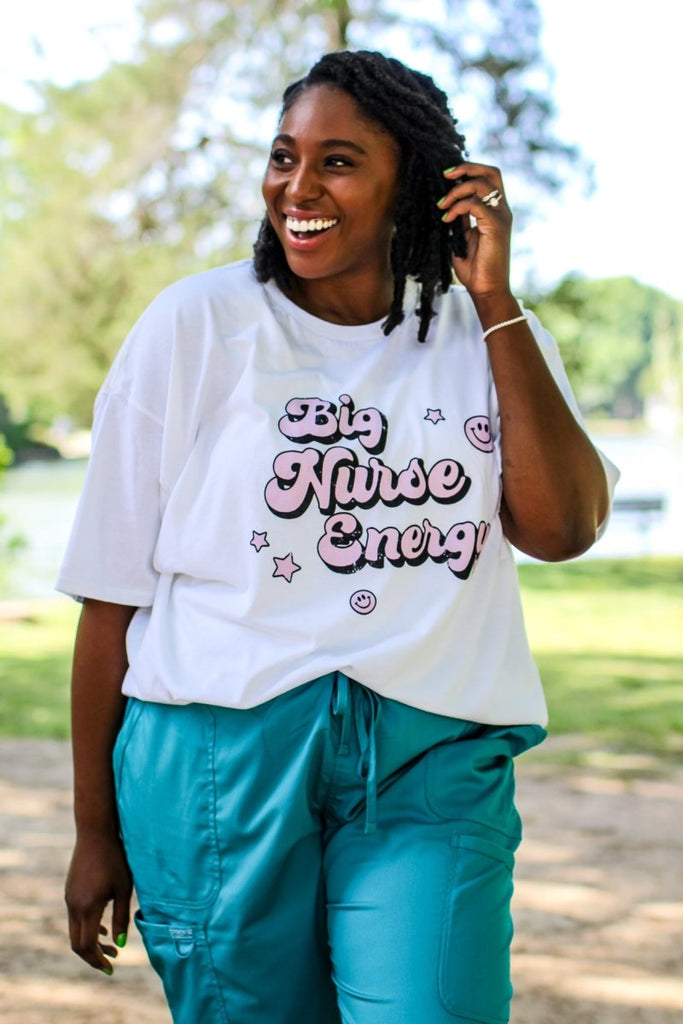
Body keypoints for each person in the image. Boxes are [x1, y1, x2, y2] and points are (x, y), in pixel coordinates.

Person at [59, 49, 618, 1024]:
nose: (297, 187)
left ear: (418, 183)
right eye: (284, 157)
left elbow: (562, 527)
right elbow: (111, 599)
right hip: (217, 764)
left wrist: (492, 298)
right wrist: (94, 832)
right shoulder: (194, 325)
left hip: (429, 756)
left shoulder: (486, 335)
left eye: (338, 162)